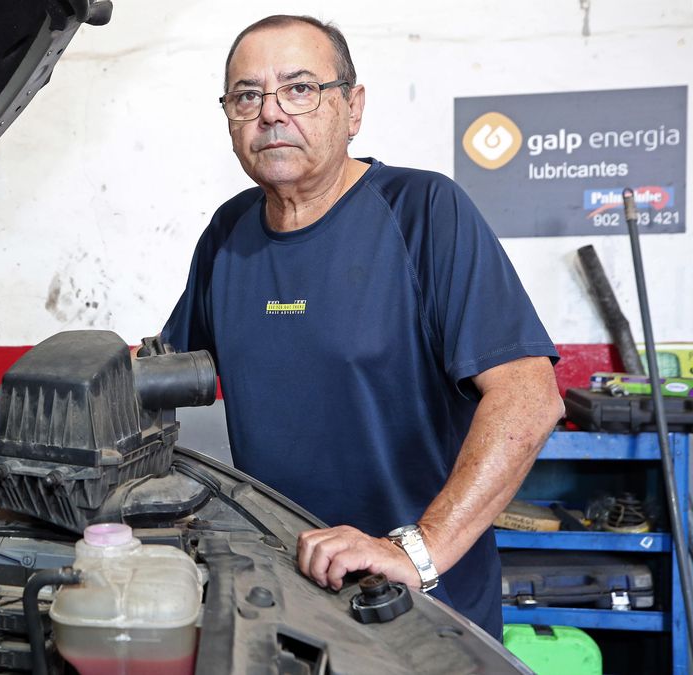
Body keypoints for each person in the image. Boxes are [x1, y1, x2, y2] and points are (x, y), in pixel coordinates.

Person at [161, 14, 565, 637]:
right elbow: (165, 373)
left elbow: (529, 396)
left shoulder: (425, 211)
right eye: (247, 96)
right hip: (282, 592)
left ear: (353, 109)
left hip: (417, 607)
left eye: (299, 89)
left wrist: (417, 550)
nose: (270, 113)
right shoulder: (228, 233)